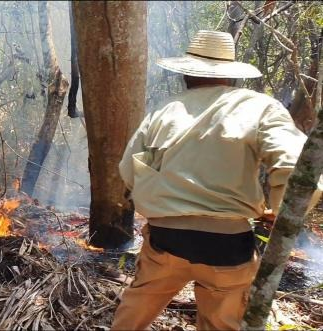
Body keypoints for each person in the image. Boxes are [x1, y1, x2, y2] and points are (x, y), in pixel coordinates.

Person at [111, 30, 322, 330]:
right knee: (223, 322)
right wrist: (283, 211)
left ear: (186, 73)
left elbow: (128, 170)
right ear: (231, 75)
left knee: (133, 312)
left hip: (164, 238)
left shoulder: (163, 110)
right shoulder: (260, 106)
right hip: (228, 245)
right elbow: (296, 165)